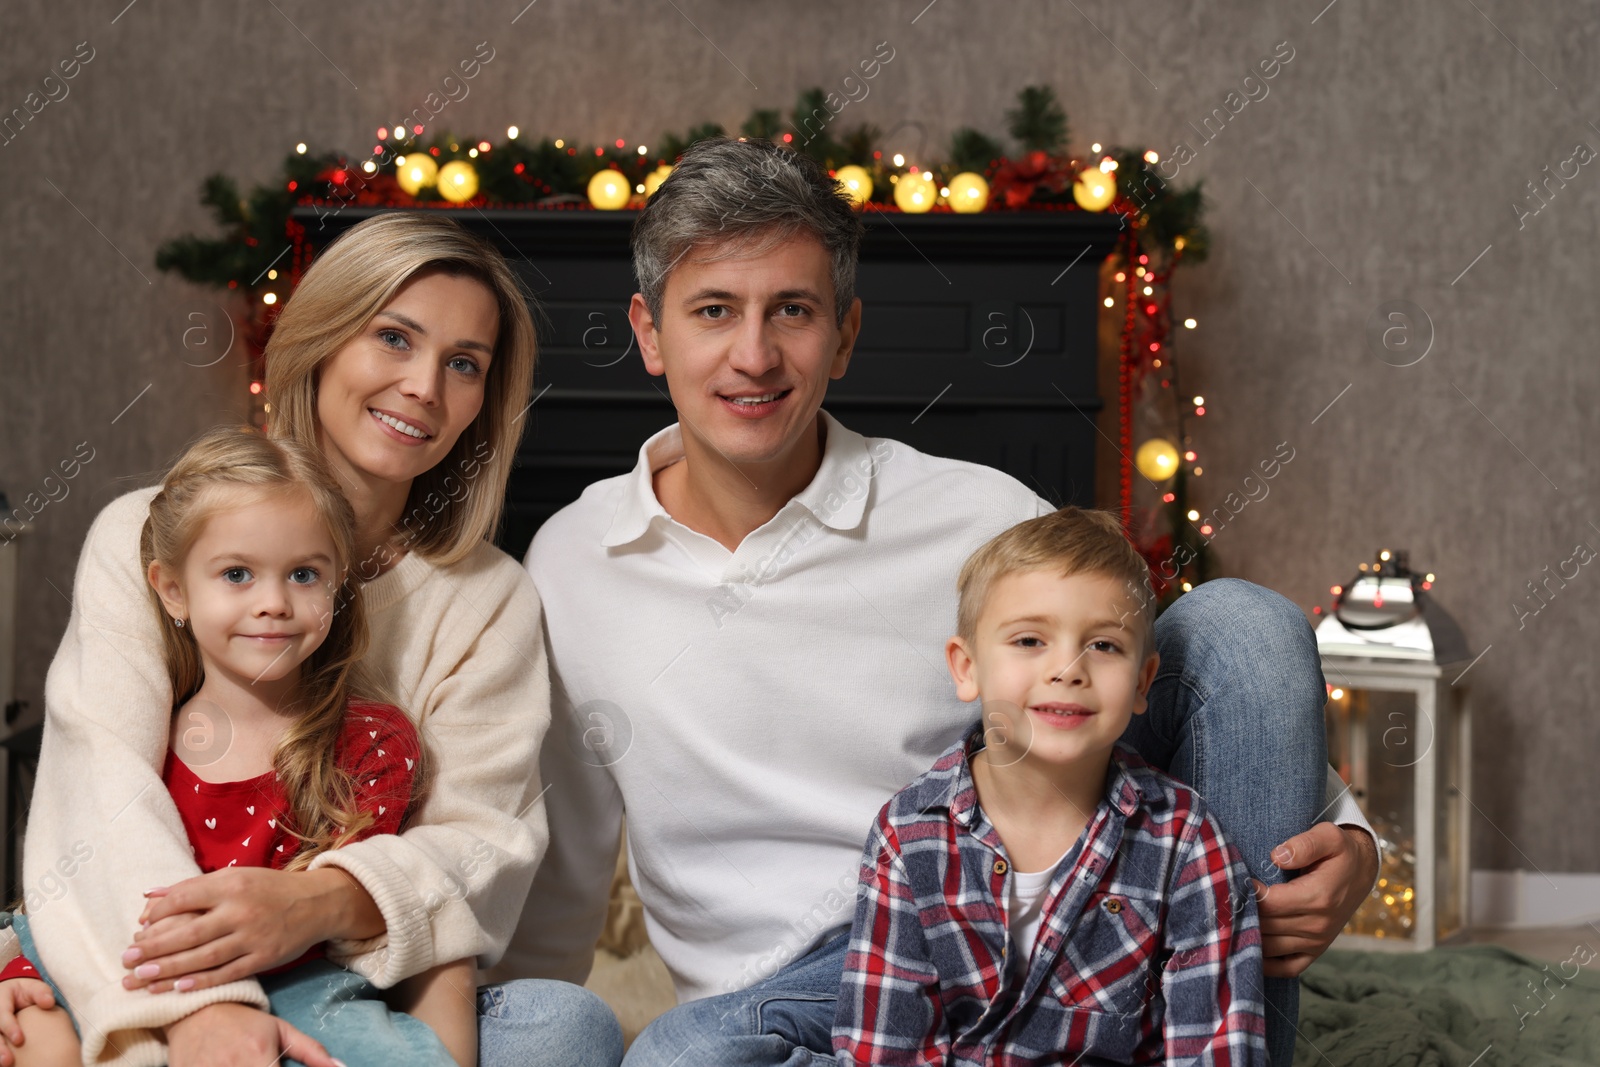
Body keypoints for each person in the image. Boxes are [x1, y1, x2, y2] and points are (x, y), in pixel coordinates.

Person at [498, 136, 1379, 1067]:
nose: (752, 355)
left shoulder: (978, 515)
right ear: (648, 331)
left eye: (791, 310)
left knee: (1240, 622)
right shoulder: (574, 561)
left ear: (843, 334)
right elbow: (560, 859)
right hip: (773, 1006)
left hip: (998, 925)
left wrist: (1349, 840)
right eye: (713, 310)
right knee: (684, 1058)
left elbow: (1146, 681)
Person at [17, 213, 622, 1067]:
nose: (423, 386)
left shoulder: (490, 598)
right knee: (30, 1014)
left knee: (569, 1025)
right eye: (394, 338)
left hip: (360, 977)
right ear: (323, 340)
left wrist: (318, 904)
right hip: (155, 956)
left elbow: (481, 843)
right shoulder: (144, 536)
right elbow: (101, 784)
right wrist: (208, 1008)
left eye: (463, 364)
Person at [0, 427, 476, 1067]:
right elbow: (88, 881)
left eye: (304, 574)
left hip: (300, 979)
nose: (274, 603)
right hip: (140, 964)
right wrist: (22, 970)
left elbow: (348, 927)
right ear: (172, 590)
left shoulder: (372, 742)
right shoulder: (144, 735)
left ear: (337, 584)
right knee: (37, 1038)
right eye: (237, 574)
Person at [833, 506, 1267, 1065]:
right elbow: (885, 1048)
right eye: (1030, 640)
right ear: (967, 669)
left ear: (1142, 682)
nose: (1067, 668)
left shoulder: (1186, 840)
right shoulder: (909, 835)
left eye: (1104, 646)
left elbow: (1216, 1045)